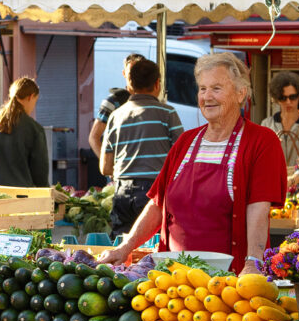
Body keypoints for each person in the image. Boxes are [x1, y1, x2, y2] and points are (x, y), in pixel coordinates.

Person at [102, 53, 284, 276]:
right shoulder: (185, 142)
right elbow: (157, 205)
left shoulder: (262, 141)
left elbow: (258, 209)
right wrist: (125, 247)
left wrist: (253, 263)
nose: (207, 96)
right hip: (173, 280)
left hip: (227, 281)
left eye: (216, 88)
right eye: (202, 88)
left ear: (240, 94)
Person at [100, 58, 183, 236]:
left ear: (129, 85)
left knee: (122, 249)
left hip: (121, 192)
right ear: (157, 84)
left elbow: (105, 167)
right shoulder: (167, 113)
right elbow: (182, 157)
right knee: (152, 250)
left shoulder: (116, 116)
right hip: (155, 193)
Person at [88, 53, 146, 159]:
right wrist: (109, 167)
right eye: (131, 73)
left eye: (138, 73)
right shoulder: (113, 101)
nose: (135, 77)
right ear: (124, 73)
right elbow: (94, 137)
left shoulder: (152, 102)